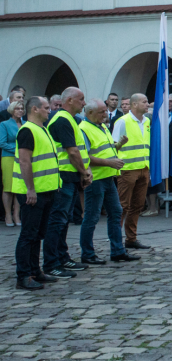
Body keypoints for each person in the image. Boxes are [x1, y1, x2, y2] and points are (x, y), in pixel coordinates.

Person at [79, 99, 138, 265]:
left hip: (108, 177)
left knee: (116, 212)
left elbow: (107, 149)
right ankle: (87, 254)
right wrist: (110, 163)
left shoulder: (101, 126)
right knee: (91, 217)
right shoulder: (83, 129)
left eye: (105, 111)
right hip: (95, 179)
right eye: (102, 112)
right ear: (90, 113)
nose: (105, 115)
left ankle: (118, 251)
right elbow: (85, 156)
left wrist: (119, 145)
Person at [40, 87, 91, 279]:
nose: (84, 103)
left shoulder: (70, 119)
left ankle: (62, 256)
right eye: (81, 99)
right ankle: (51, 262)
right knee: (57, 221)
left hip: (70, 176)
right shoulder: (62, 120)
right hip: (63, 177)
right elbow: (72, 151)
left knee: (64, 220)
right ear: (69, 100)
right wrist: (84, 172)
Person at [12, 96, 62, 290]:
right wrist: (30, 189)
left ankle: (35, 271)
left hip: (46, 189)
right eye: (46, 108)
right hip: (33, 192)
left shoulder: (42, 129)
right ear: (34, 109)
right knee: (28, 235)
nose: (49, 111)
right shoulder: (27, 130)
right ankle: (23, 276)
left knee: (38, 234)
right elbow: (25, 161)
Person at [112, 93, 151, 251]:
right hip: (127, 169)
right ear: (134, 105)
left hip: (143, 168)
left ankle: (131, 238)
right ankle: (116, 240)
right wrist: (120, 143)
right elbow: (113, 146)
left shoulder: (147, 121)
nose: (147, 104)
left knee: (138, 205)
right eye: (144, 101)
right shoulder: (122, 121)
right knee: (123, 206)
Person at [2, 100, 24, 226]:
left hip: (23, 158)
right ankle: (8, 215)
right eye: (17, 109)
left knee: (19, 186)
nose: (20, 110)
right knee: (8, 187)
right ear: (11, 110)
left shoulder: (26, 123)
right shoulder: (4, 124)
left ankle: (17, 215)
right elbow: (2, 143)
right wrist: (17, 150)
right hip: (9, 157)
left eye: (21, 108)